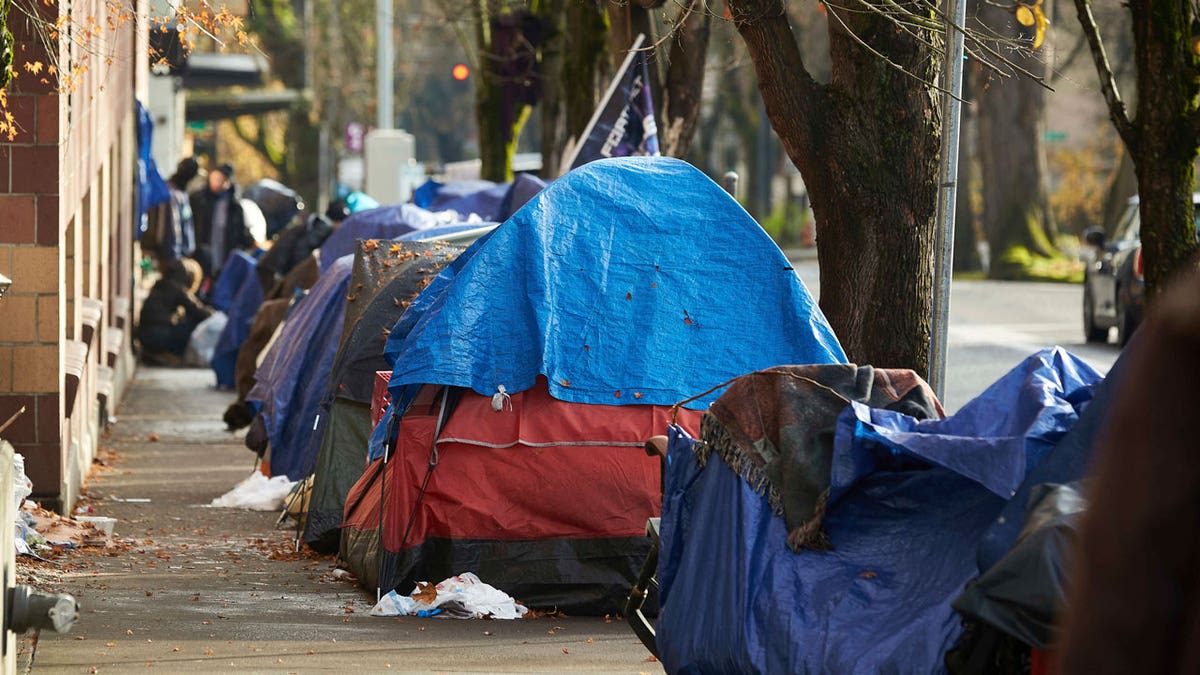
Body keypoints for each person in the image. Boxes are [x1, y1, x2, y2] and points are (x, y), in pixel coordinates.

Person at [136, 258, 213, 365]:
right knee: (192, 325)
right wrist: (215, 315)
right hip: (157, 335)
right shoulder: (177, 288)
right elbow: (197, 310)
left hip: (145, 334)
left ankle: (156, 353)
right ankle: (173, 354)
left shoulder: (160, 284)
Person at [191, 162, 255, 282]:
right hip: (202, 249)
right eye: (214, 178)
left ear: (227, 182)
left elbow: (240, 231)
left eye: (219, 179)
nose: (216, 182)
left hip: (224, 250)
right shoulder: (199, 199)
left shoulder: (234, 206)